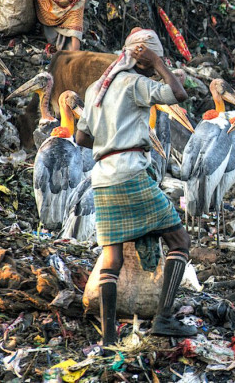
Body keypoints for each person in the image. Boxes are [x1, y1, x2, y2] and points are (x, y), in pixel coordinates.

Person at [76, 29, 196, 347]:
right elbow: (178, 94)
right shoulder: (136, 84)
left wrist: (110, 133)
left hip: (102, 178)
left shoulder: (94, 90)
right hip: (131, 174)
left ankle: (110, 340)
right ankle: (164, 319)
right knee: (179, 240)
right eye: (150, 59)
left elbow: (81, 139)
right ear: (142, 60)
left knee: (112, 260)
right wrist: (158, 62)